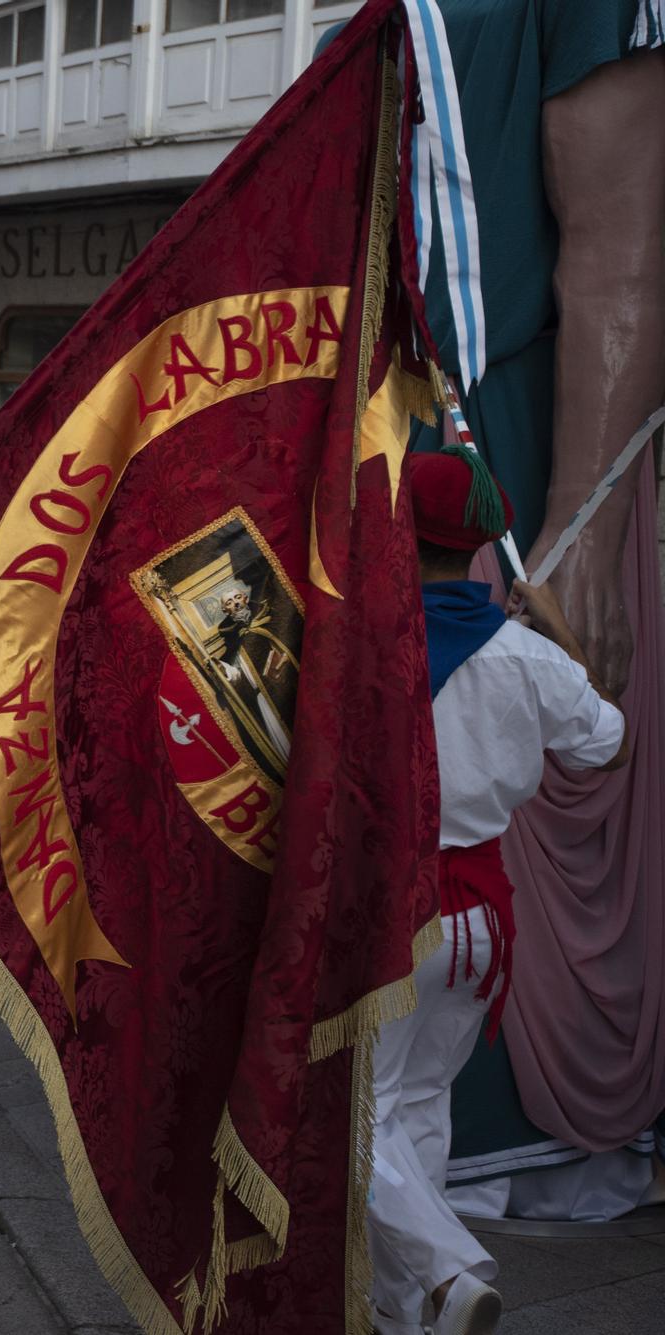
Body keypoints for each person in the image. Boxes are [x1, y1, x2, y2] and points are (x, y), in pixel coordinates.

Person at [366, 447, 628, 1335]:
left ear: (405, 529)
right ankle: (413, 1314)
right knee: (418, 1106)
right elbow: (609, 743)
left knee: (356, 1114)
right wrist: (560, 637)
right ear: (482, 543)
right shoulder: (528, 657)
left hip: (391, 918)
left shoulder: (366, 643)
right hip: (482, 919)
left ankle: (448, 1269)